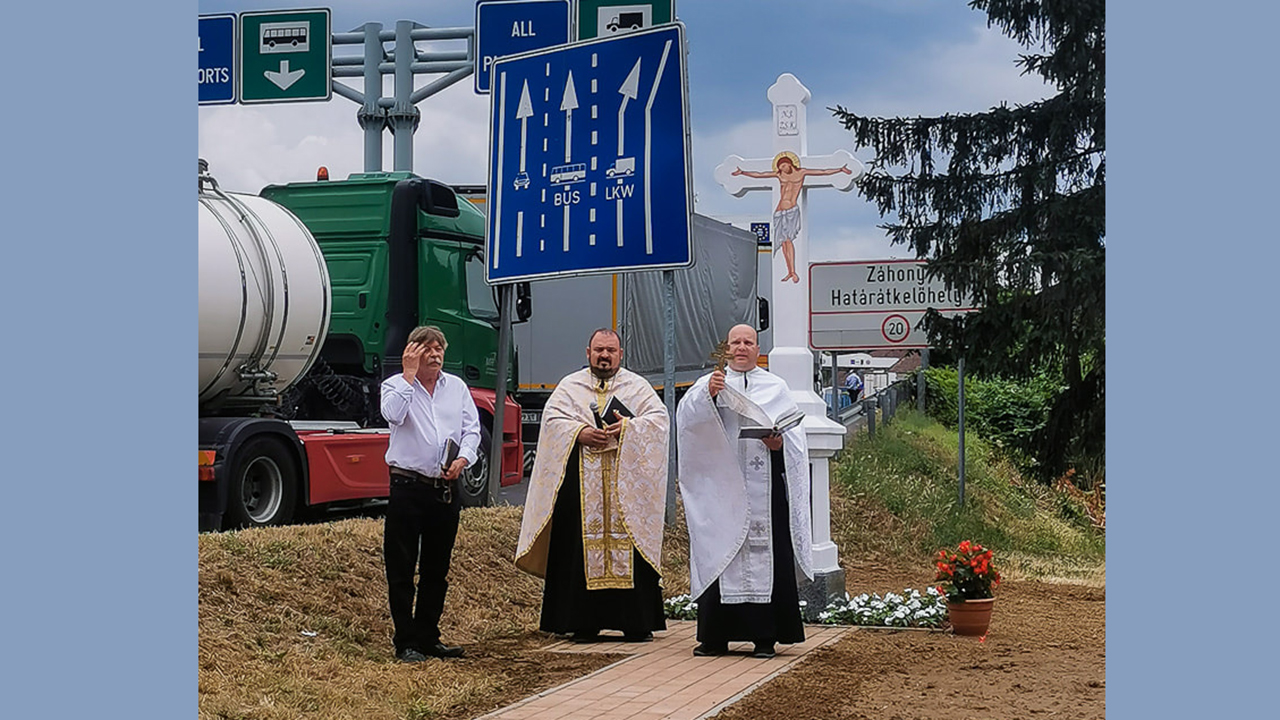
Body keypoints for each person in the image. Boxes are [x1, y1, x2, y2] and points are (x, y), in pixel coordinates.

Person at [515, 328, 670, 643]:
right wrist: (579, 433)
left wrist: (627, 428)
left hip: (625, 489)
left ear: (620, 354)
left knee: (629, 544)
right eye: (599, 350)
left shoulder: (637, 388)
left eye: (611, 350)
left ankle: (635, 621)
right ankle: (581, 620)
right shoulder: (570, 387)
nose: (605, 356)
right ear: (588, 353)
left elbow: (658, 421)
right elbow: (553, 424)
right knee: (576, 546)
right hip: (580, 487)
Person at [676, 324, 813, 659]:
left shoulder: (776, 386)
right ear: (726, 348)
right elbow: (687, 422)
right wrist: (707, 395)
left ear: (757, 348)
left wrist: (778, 443)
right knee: (720, 552)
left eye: (748, 342)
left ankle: (765, 637)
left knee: (768, 555)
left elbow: (795, 440)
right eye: (735, 342)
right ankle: (715, 636)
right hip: (721, 491)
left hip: (763, 491)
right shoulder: (710, 384)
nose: (741, 348)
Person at [380, 325, 481, 663]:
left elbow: (471, 429)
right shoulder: (395, 386)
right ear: (412, 353)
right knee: (402, 568)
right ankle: (405, 641)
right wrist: (408, 376)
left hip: (444, 490)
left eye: (440, 349)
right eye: (428, 349)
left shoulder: (457, 388)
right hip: (407, 488)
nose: (436, 355)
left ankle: (428, 636)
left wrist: (464, 458)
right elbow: (392, 415)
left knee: (437, 569)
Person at [733, 152, 852, 283]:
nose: (783, 169)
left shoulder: (801, 172)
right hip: (779, 212)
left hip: (791, 211)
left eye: (784, 165)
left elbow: (823, 171)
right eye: (781, 167)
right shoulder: (779, 175)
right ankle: (790, 271)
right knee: (784, 242)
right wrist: (743, 172)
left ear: (790, 163)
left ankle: (793, 271)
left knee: (788, 241)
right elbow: (760, 175)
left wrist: (840, 170)